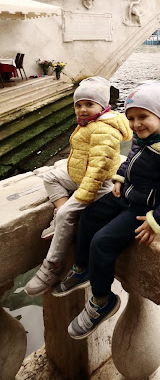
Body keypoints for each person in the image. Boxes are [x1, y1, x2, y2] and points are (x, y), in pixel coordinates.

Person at [53, 80, 160, 339]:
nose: (136, 124)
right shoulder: (145, 137)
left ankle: (101, 301)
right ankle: (82, 268)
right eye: (131, 118)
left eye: (143, 117)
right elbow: (130, 161)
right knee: (87, 217)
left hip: (144, 208)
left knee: (102, 242)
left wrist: (157, 220)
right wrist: (120, 177)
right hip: (126, 194)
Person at [24, 77, 132, 297]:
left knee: (66, 214)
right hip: (80, 176)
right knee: (51, 177)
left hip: (99, 184)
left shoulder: (104, 130)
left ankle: (52, 266)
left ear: (102, 106)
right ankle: (60, 216)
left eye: (89, 104)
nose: (82, 109)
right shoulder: (90, 122)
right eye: (78, 105)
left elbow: (98, 169)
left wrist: (80, 198)